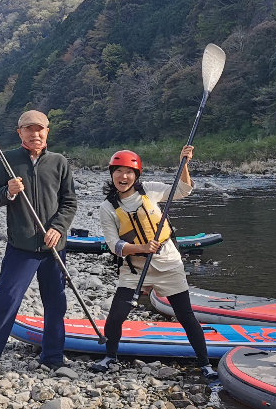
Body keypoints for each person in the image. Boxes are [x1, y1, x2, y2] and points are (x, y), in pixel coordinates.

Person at [90, 147, 215, 378]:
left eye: (129, 172)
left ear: (136, 175)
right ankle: (109, 356)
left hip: (168, 264)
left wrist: (183, 163)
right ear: (112, 174)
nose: (123, 177)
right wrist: (141, 248)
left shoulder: (149, 191)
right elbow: (113, 245)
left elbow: (184, 189)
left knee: (185, 315)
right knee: (116, 315)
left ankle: (205, 363)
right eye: (118, 171)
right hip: (135, 268)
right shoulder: (108, 207)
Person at [0, 109, 78, 372]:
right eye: (29, 129)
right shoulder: (8, 160)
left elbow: (69, 203)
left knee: (55, 303)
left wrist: (58, 228)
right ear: (19, 132)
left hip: (54, 247)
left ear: (47, 132)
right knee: (6, 299)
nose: (35, 134)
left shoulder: (59, 162)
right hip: (22, 246)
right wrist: (8, 191)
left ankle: (53, 357)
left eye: (40, 129)